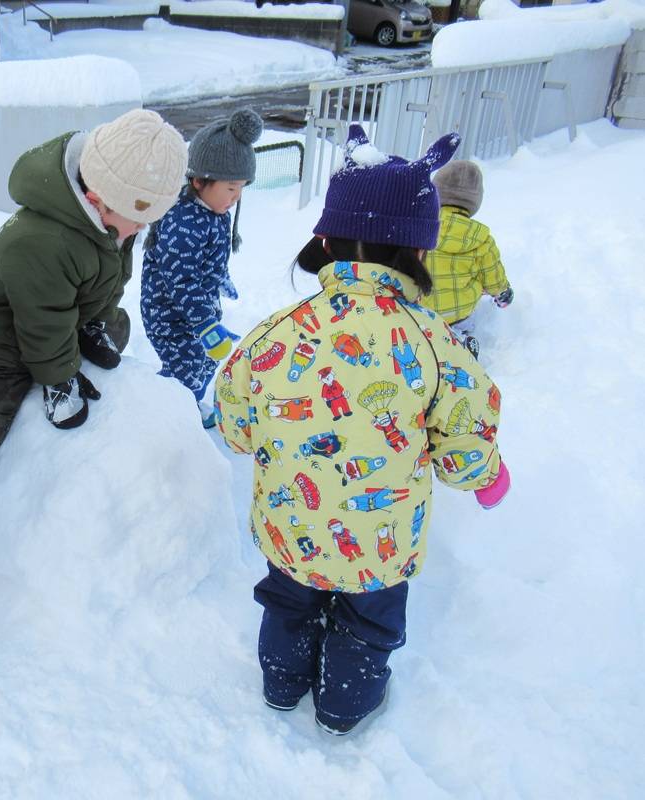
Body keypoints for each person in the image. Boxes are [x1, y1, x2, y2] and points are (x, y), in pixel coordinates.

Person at [215, 125, 511, 735]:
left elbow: (236, 423)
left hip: (290, 524)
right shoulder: (437, 344)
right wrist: (488, 475)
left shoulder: (276, 332)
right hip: (380, 543)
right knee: (368, 622)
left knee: (287, 604)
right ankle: (344, 707)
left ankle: (281, 683)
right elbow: (463, 446)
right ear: (421, 252)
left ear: (324, 240)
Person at [0, 109, 187, 517]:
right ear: (96, 200)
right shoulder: (44, 240)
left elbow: (111, 280)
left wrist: (97, 321)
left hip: (58, 315)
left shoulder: (109, 221)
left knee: (116, 329)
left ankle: (76, 342)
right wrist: (59, 380)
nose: (139, 231)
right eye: (137, 222)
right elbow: (44, 321)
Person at [140, 109, 264, 428]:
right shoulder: (183, 222)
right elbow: (180, 281)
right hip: (169, 312)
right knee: (186, 370)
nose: (236, 198)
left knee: (205, 362)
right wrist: (206, 325)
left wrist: (219, 277)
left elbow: (206, 259)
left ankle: (178, 401)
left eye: (241, 189)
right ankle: (175, 415)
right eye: (231, 188)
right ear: (198, 181)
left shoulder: (213, 210)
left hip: (197, 307)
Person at [425, 160, 514, 357]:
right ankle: (459, 341)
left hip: (419, 310)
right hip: (458, 312)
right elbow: (493, 278)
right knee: (465, 307)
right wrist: (503, 292)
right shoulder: (481, 240)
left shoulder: (420, 227)